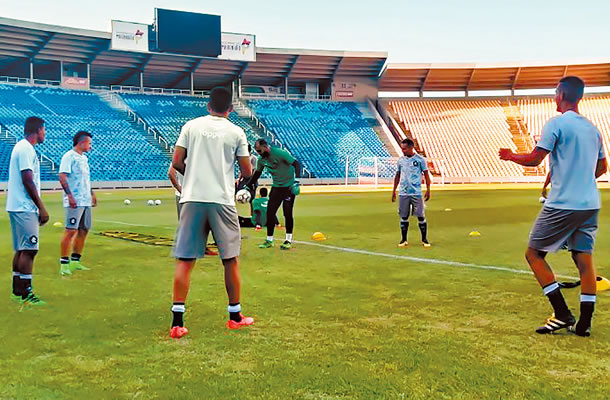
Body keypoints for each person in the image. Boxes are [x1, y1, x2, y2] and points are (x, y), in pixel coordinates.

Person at [499, 76, 607, 337]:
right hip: (590, 203)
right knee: (584, 260)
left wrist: (511, 155)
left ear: (560, 94)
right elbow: (603, 167)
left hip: (563, 203)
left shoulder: (556, 124)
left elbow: (536, 159)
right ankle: (584, 323)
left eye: (555, 93)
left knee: (534, 254)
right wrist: (580, 179)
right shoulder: (593, 129)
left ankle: (562, 314)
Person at [170, 86, 254, 339]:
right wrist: (234, 180)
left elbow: (176, 162)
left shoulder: (191, 126)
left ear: (208, 105)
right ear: (230, 109)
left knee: (185, 260)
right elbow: (247, 171)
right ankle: (235, 316)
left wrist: (194, 173)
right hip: (222, 200)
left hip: (191, 198)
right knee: (230, 259)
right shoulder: (236, 131)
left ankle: (177, 323)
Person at [7, 116, 49, 305]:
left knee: (21, 249)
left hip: (16, 205)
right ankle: (26, 293)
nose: (44, 134)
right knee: (30, 250)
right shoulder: (26, 149)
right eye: (44, 130)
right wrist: (41, 207)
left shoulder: (21, 147)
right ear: (38, 130)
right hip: (24, 207)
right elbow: (27, 179)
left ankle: (17, 290)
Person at [246, 139, 300, 250]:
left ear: (265, 147)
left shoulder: (280, 153)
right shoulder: (261, 160)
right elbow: (257, 174)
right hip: (276, 187)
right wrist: (248, 185)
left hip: (288, 187)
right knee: (270, 212)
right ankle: (269, 240)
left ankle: (288, 240)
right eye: (257, 151)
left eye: (260, 151)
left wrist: (297, 180)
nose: (258, 153)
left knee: (287, 213)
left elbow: (296, 163)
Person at [58, 131, 96, 276]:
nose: (91, 146)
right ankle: (64, 263)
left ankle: (75, 261)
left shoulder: (84, 159)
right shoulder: (69, 156)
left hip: (85, 200)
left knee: (84, 229)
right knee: (70, 230)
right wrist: (70, 196)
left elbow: (85, 179)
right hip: (75, 201)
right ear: (82, 143)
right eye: (89, 143)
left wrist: (91, 193)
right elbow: (62, 176)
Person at [168, 164, 218, 256]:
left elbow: (171, 173)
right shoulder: (192, 157)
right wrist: (181, 190)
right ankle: (194, 249)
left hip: (185, 195)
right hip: (191, 196)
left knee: (187, 224)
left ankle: (191, 248)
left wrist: (180, 190)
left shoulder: (182, 156)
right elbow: (170, 174)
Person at [391, 138, 431, 247]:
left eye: (405, 148)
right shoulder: (400, 161)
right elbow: (398, 175)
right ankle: (403, 239)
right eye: (402, 148)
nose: (403, 150)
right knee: (403, 216)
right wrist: (394, 190)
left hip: (416, 192)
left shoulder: (420, 160)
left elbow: (426, 174)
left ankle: (424, 239)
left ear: (411, 148)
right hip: (403, 192)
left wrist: (428, 189)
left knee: (421, 216)